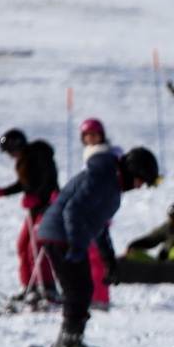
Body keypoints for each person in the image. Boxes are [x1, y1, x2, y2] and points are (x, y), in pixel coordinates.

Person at [36, 147, 159, 347]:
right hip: (59, 234)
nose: (139, 187)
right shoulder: (101, 178)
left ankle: (71, 339)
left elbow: (99, 225)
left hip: (66, 235)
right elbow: (73, 210)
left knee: (83, 288)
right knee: (77, 289)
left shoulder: (110, 184)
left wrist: (109, 260)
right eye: (140, 180)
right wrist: (76, 245)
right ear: (132, 171)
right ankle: (68, 342)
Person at [0, 129, 60, 301]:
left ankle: (47, 287)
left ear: (18, 145)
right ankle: (30, 286)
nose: (10, 155)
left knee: (35, 248)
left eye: (10, 151)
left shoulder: (39, 154)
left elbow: (49, 179)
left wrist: (38, 196)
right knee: (23, 245)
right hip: (35, 209)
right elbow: (25, 184)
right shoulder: (23, 160)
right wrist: (2, 192)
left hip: (48, 208)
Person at [78, 118, 120, 309]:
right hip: (92, 210)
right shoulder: (92, 153)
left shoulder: (102, 155)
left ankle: (100, 297)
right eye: (87, 136)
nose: (91, 139)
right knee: (91, 255)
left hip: (97, 210)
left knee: (96, 256)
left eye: (94, 135)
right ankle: (94, 295)